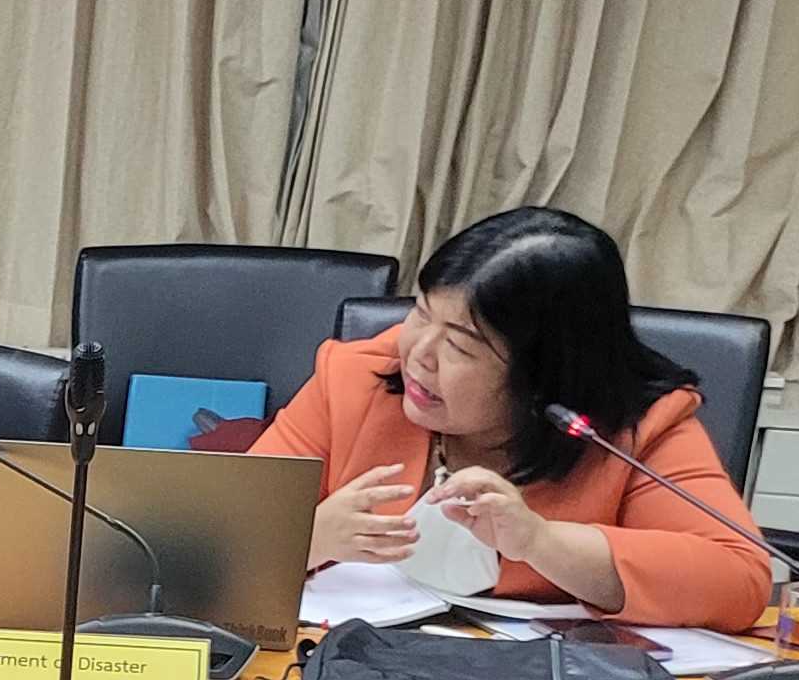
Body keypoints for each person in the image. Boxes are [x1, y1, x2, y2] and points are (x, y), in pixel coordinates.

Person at [255, 208, 770, 630]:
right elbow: (219, 536)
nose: (418, 354)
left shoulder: (638, 424)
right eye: (421, 313)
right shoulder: (357, 377)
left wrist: (540, 543)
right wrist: (308, 538)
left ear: (543, 372)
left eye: (461, 345)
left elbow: (739, 580)